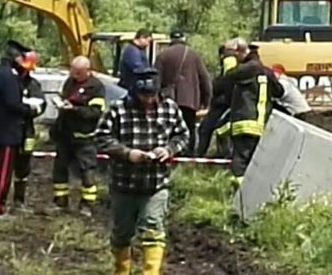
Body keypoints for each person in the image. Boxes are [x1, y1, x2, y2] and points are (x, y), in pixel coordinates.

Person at [95, 67, 189, 275]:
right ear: (134, 92)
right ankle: (121, 270)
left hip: (156, 183)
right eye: (142, 95)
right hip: (124, 183)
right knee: (122, 234)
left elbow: (182, 135)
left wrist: (168, 149)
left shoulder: (170, 109)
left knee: (153, 228)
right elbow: (101, 137)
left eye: (151, 95)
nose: (147, 100)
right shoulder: (118, 109)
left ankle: (151, 272)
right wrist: (127, 153)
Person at [0, 40, 44, 217]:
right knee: (3, 173)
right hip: (8, 132)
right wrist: (30, 108)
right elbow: (13, 104)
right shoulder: (9, 78)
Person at [213, 41, 284, 187]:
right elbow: (280, 92)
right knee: (255, 161)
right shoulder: (267, 71)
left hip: (244, 122)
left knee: (240, 162)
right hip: (260, 124)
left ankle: (241, 192)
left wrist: (228, 57)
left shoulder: (246, 69)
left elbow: (227, 76)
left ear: (240, 53)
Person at [50, 56, 106, 217]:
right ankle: (60, 202)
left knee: (87, 172)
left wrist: (74, 109)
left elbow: (95, 112)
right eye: (72, 72)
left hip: (84, 137)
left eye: (78, 73)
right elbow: (63, 96)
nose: (74, 76)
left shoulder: (96, 87)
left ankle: (87, 205)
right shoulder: (69, 82)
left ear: (88, 71)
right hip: (64, 134)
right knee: (59, 169)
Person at [154, 30, 211, 156]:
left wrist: (154, 100)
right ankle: (188, 156)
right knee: (189, 127)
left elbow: (156, 80)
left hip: (168, 99)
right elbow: (204, 78)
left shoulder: (162, 55)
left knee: (169, 128)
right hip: (188, 100)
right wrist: (206, 101)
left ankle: (170, 153)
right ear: (184, 39)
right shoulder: (193, 55)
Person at [195, 38, 241, 157]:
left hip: (223, 103)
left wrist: (216, 92)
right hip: (227, 102)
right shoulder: (235, 61)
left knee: (206, 129)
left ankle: (200, 155)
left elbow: (227, 80)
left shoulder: (229, 60)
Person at [16, 47, 46, 213]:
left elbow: (41, 105)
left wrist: (29, 109)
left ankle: (19, 199)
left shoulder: (33, 85)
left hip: (27, 131)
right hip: (11, 129)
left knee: (23, 166)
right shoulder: (12, 82)